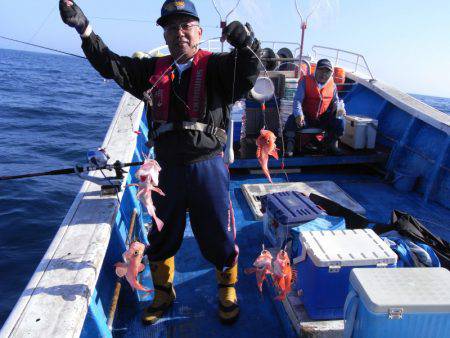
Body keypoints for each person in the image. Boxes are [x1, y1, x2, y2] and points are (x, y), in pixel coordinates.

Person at [59, 0, 260, 325]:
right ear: (164, 35)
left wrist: (246, 42)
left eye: (185, 26)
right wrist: (84, 29)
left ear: (199, 32)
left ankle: (227, 288)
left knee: (217, 234)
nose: (178, 32)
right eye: (170, 27)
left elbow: (249, 71)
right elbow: (110, 64)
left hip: (208, 165)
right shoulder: (150, 71)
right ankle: (164, 293)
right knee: (162, 235)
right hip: (165, 169)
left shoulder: (221, 67)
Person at [284, 58, 345, 156]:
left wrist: (339, 108)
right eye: (321, 70)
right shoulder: (305, 81)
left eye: (327, 72)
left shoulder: (332, 85)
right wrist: (298, 114)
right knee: (291, 119)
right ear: (316, 70)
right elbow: (297, 100)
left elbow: (335, 101)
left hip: (322, 118)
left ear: (331, 74)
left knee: (340, 121)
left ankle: (332, 144)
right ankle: (290, 145)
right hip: (306, 117)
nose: (323, 74)